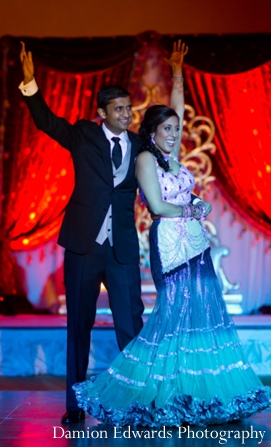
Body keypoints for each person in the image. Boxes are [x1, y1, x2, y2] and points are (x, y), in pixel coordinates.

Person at [72, 41, 271, 427]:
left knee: (201, 316)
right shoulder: (146, 158)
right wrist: (194, 208)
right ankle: (151, 393)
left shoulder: (173, 156)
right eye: (167, 128)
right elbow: (159, 207)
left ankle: (201, 396)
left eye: (177, 129)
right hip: (169, 242)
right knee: (174, 317)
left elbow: (176, 110)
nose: (174, 133)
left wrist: (178, 72)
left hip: (195, 243)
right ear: (152, 130)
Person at [19, 42, 146, 424]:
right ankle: (75, 406)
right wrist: (30, 85)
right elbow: (46, 121)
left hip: (121, 248)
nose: (126, 114)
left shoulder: (141, 145)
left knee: (131, 327)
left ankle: (134, 402)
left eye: (128, 108)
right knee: (79, 325)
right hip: (83, 245)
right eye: (119, 109)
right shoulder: (84, 135)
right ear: (102, 113)